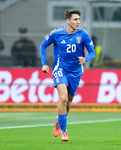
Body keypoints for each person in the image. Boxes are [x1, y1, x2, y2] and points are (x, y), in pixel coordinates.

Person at [40, 9, 96, 141]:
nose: (78, 22)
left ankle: (59, 119)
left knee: (69, 103)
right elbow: (43, 46)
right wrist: (44, 63)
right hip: (60, 69)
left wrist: (85, 59)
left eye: (79, 19)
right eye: (75, 19)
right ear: (68, 21)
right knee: (63, 98)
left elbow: (92, 52)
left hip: (76, 72)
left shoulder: (83, 34)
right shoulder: (57, 33)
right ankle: (64, 132)